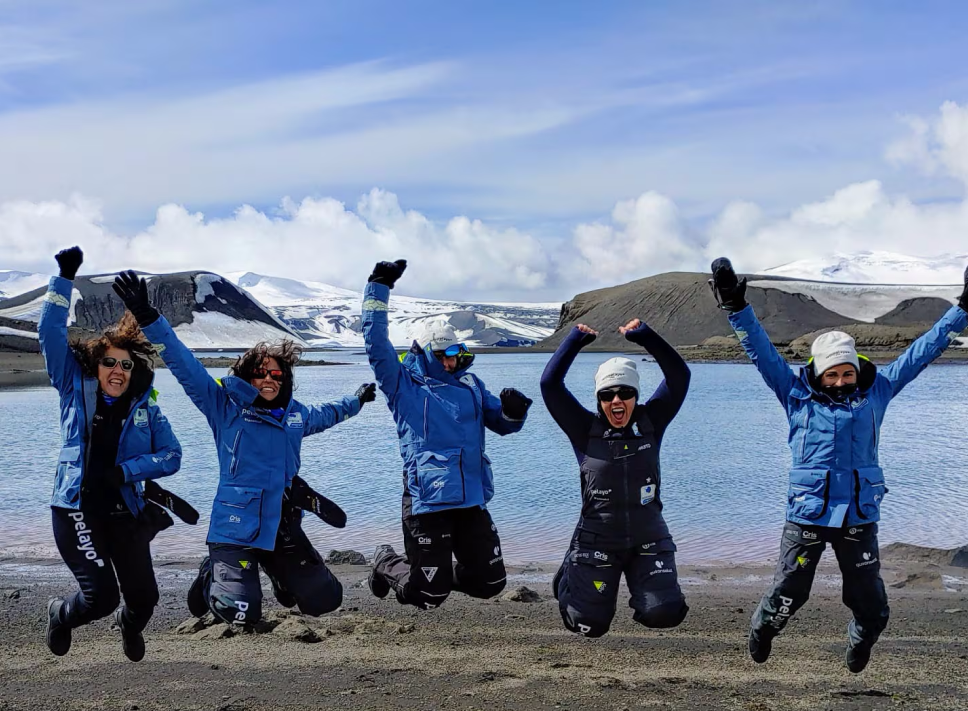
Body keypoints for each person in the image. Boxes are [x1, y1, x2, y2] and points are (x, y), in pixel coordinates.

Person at [710, 257, 968, 673]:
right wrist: (735, 305)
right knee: (790, 591)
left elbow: (924, 349)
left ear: (856, 369)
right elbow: (759, 350)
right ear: (818, 374)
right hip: (808, 512)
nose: (841, 381)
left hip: (858, 513)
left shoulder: (880, 391)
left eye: (847, 372)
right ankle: (764, 628)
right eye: (832, 374)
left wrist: (962, 311)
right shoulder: (794, 394)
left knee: (872, 604)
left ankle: (861, 638)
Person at [111, 270, 375, 626]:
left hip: (280, 525)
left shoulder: (295, 417)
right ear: (248, 376)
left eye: (277, 375)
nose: (269, 379)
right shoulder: (224, 407)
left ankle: (280, 575)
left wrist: (357, 400)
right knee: (240, 612)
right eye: (261, 373)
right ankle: (211, 574)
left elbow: (330, 413)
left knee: (325, 600)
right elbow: (182, 363)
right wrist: (148, 318)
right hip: (234, 529)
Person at [360, 259, 532, 609]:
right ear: (425, 354)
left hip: (471, 498)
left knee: (490, 583)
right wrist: (378, 287)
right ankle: (385, 562)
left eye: (455, 354)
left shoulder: (470, 383)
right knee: (427, 596)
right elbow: (376, 344)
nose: (451, 362)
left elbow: (500, 423)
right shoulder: (403, 386)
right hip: (428, 502)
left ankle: (432, 573)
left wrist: (514, 413)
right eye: (444, 355)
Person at [40, 247, 183, 662]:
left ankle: (128, 624)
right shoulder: (73, 387)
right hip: (76, 509)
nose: (117, 371)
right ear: (96, 364)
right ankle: (60, 615)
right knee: (99, 597)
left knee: (145, 599)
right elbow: (50, 334)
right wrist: (63, 278)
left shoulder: (147, 408)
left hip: (124, 510)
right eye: (109, 363)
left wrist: (124, 472)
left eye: (125, 365)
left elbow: (172, 456)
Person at [541, 318, 692, 637]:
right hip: (597, 537)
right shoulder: (584, 430)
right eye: (607, 395)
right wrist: (574, 341)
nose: (616, 401)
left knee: (665, 614)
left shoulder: (653, 421)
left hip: (648, 533)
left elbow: (679, 376)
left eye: (625, 393)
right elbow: (550, 385)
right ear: (599, 400)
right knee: (587, 624)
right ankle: (569, 575)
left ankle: (641, 586)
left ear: (635, 396)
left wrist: (646, 337)